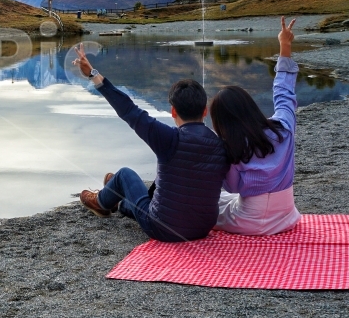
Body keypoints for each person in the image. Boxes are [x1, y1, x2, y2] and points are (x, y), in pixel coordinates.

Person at [72, 45, 228, 242]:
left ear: (173, 112)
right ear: (205, 111)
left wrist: (93, 74)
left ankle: (101, 203)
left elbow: (128, 110)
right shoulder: (220, 143)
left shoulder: (169, 138)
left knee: (124, 175)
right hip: (203, 228)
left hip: (163, 228)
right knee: (138, 195)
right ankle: (118, 199)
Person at [209, 17, 301, 235]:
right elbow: (284, 94)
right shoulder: (283, 128)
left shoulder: (231, 146)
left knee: (214, 202)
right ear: (250, 107)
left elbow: (232, 187)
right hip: (287, 216)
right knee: (225, 199)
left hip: (250, 221)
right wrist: (285, 46)